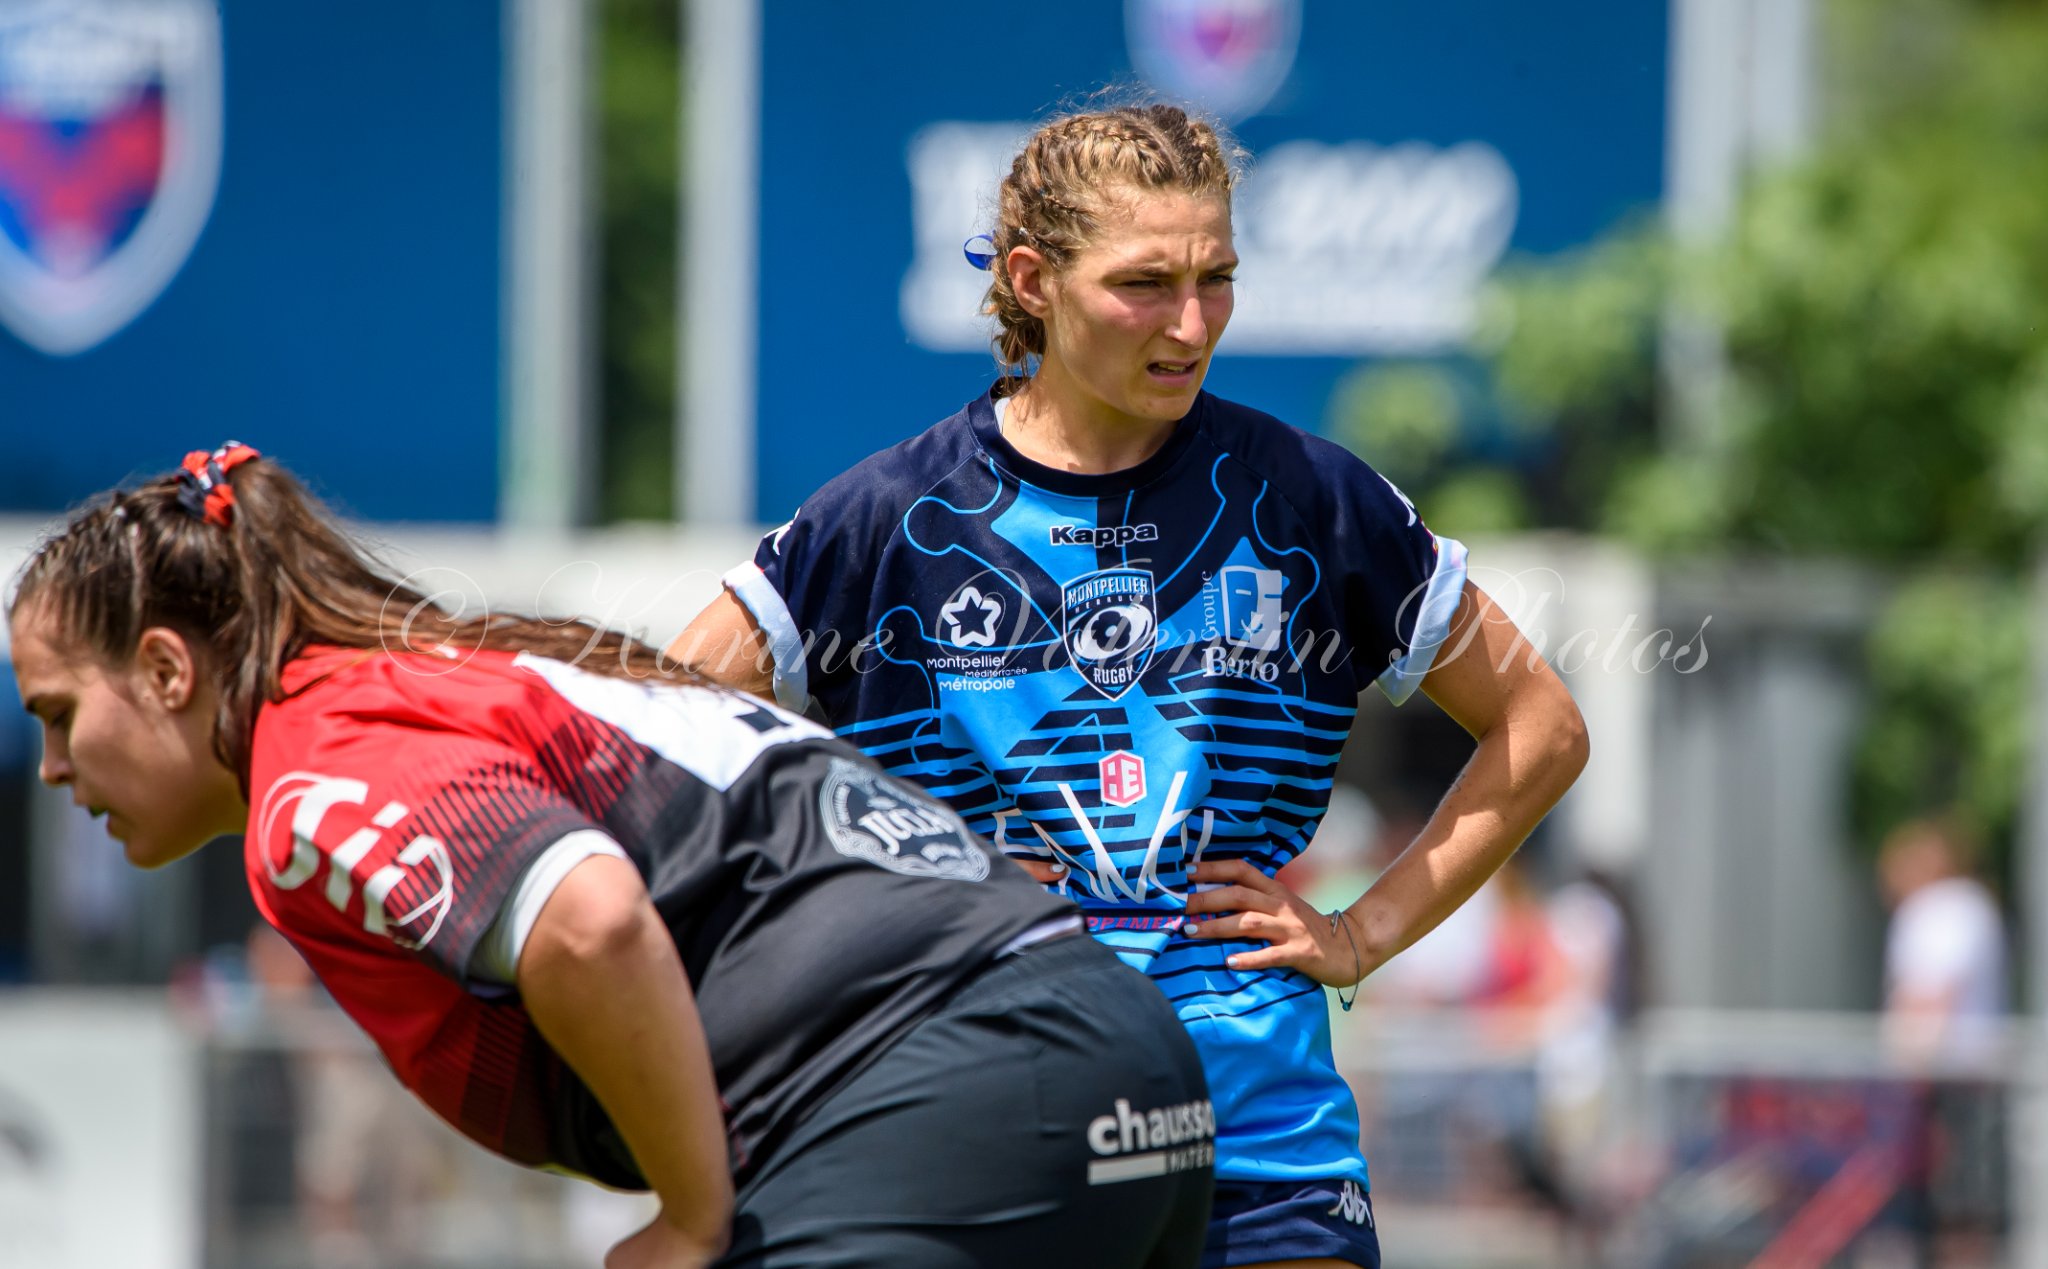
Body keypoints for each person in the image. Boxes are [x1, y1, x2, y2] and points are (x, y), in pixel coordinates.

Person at [671, 103, 1591, 1269]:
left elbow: (1540, 726)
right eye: (1145, 284)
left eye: (1216, 279)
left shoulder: (1311, 500)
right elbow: (662, 744)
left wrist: (1361, 933)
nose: (1191, 324)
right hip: (974, 1135)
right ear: (1031, 281)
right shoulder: (884, 519)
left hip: (1256, 1149)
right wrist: (884, 889)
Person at [8, 444, 1216, 1269]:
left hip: (950, 1088)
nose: (54, 768)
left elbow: (589, 923)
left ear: (166, 671)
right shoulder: (460, 675)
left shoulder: (314, 768)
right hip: (1123, 1056)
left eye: (59, 716)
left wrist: (690, 1220)